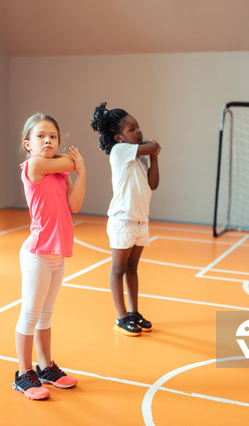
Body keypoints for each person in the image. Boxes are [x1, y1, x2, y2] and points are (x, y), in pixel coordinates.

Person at [13, 113, 86, 400]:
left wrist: (83, 173)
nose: (48, 140)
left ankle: (45, 368)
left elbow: (75, 206)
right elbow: (71, 160)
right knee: (30, 313)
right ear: (27, 144)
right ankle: (23, 373)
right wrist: (77, 162)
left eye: (53, 136)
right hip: (37, 254)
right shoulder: (34, 165)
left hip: (57, 254)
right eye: (41, 136)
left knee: (46, 313)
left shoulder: (60, 173)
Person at [90, 102, 160, 336]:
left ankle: (133, 312)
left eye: (138, 126)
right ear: (119, 137)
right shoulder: (120, 151)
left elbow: (154, 184)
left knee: (133, 268)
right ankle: (120, 317)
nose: (138, 130)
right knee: (118, 268)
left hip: (141, 220)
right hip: (122, 221)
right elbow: (152, 145)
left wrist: (155, 157)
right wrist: (154, 148)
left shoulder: (140, 155)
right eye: (131, 129)